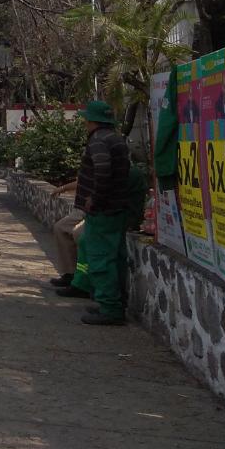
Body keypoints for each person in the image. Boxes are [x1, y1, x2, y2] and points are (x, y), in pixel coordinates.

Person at [59, 100, 132, 326]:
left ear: (92, 120)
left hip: (103, 210)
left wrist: (95, 198)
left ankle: (110, 308)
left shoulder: (98, 141)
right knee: (115, 259)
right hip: (117, 208)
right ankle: (113, 303)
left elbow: (102, 171)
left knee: (100, 259)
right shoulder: (115, 139)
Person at [47, 179, 85, 289]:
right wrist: (63, 188)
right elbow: (82, 181)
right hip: (80, 208)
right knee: (60, 228)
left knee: (79, 234)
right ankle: (70, 273)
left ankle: (83, 281)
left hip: (94, 210)